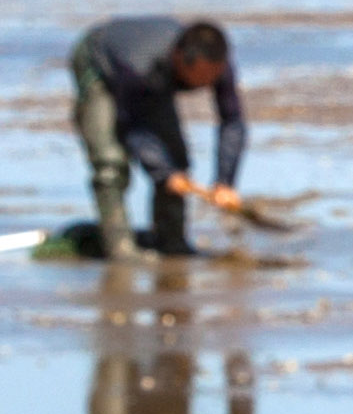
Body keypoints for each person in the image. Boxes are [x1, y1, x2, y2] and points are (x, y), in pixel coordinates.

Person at [68, 15, 248, 259]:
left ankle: (172, 243)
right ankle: (120, 248)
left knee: (177, 160)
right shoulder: (139, 68)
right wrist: (162, 172)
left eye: (214, 77)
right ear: (181, 59)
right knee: (110, 164)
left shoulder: (219, 66)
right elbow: (132, 126)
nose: (208, 84)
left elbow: (232, 121)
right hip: (101, 65)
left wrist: (225, 181)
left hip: (152, 81)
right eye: (202, 78)